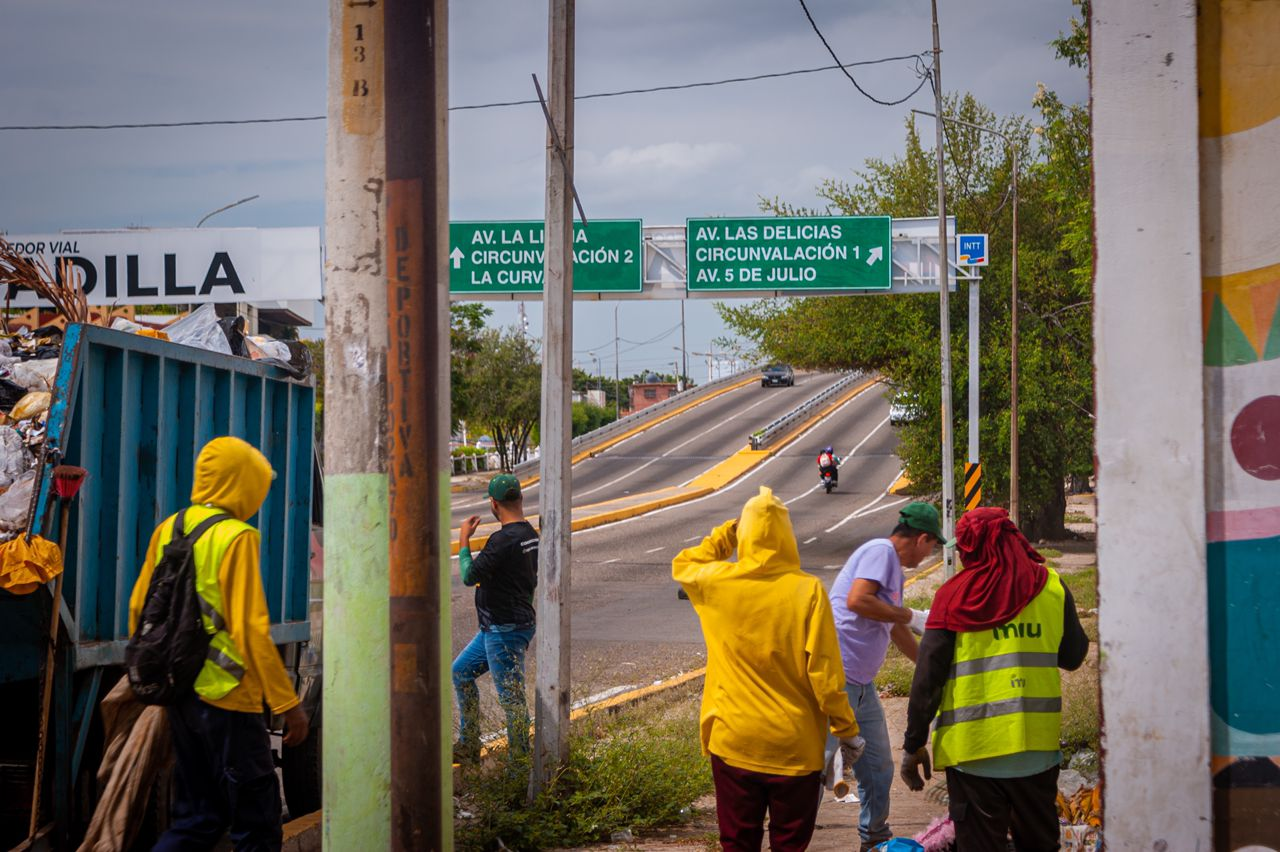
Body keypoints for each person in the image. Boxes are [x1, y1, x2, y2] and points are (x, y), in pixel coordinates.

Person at [128, 436, 308, 852]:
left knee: (196, 818)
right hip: (229, 698)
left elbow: (141, 608)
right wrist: (286, 703)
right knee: (257, 821)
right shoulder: (236, 536)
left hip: (181, 693)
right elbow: (250, 628)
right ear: (240, 484)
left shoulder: (170, 527)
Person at [673, 485, 866, 852]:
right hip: (795, 750)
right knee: (789, 845)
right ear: (787, 536)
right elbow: (824, 674)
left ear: (744, 534)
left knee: (738, 843)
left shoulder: (717, 584)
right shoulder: (808, 591)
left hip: (733, 742)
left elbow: (683, 565)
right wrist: (846, 728)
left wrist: (726, 535)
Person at [900, 507, 1089, 852]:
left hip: (974, 754)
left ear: (971, 549)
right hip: (1036, 751)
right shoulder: (1052, 588)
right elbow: (1074, 656)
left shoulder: (952, 597)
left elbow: (928, 680)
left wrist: (913, 744)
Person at [829, 502, 945, 852]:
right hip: (837, 683)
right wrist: (911, 614)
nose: (928, 555)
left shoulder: (893, 569)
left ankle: (874, 839)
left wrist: (928, 664)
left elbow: (893, 626)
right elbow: (857, 600)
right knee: (816, 770)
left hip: (862, 686)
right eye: (931, 547)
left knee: (878, 767)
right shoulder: (881, 552)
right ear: (921, 539)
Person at [452, 473, 539, 763]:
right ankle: (468, 744)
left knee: (512, 700)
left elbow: (469, 576)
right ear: (520, 498)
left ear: (494, 504)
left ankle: (519, 768)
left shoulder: (501, 541)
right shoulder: (530, 535)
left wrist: (464, 539)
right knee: (461, 672)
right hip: (501, 626)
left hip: (505, 629)